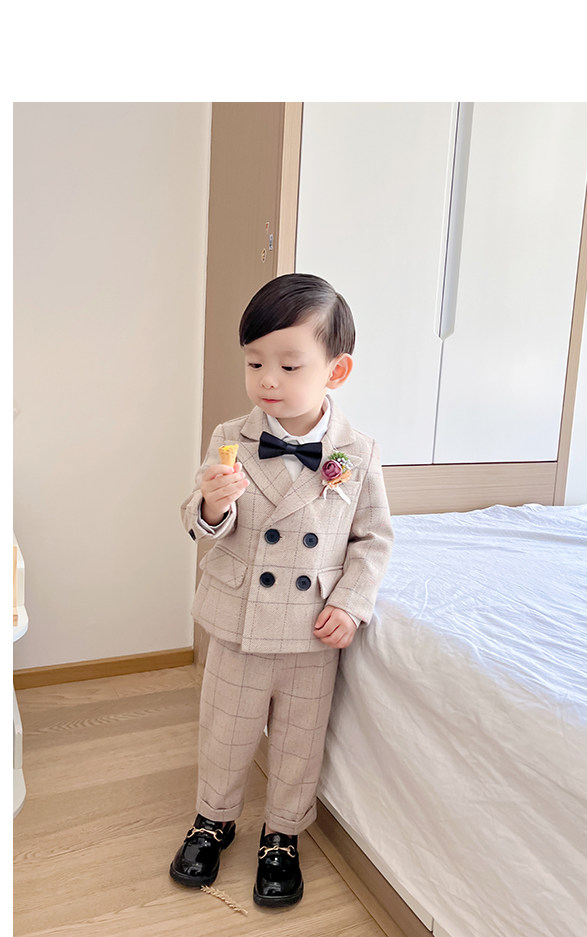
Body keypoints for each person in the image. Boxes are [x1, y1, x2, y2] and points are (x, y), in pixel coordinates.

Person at [169, 273, 394, 908]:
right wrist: (213, 505)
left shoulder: (357, 452)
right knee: (226, 730)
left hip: (308, 626)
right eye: (254, 362)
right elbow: (198, 519)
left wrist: (351, 602)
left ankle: (282, 835)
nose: (268, 380)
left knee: (299, 739)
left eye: (290, 365)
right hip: (241, 620)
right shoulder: (230, 437)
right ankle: (213, 819)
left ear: (336, 370)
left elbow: (373, 539)